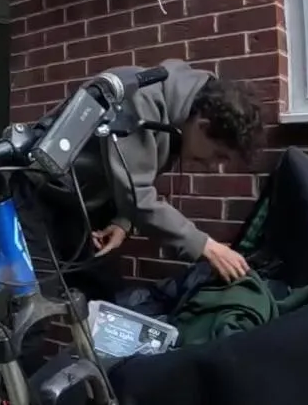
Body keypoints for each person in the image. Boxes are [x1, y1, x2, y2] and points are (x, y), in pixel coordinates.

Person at [30, 58, 262, 290]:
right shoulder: (140, 98)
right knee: (40, 299)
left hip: (79, 204)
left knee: (101, 293)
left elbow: (135, 175)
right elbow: (137, 194)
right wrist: (206, 246)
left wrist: (122, 222)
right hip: (38, 194)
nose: (213, 167)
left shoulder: (181, 117)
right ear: (203, 126)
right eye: (218, 155)